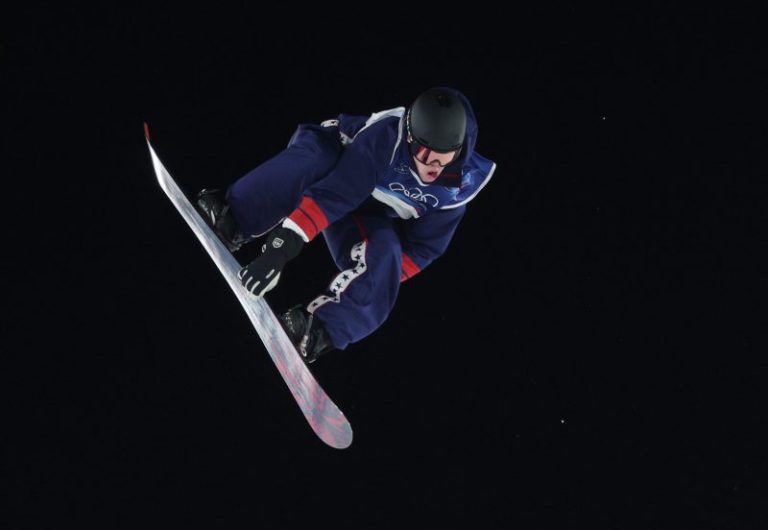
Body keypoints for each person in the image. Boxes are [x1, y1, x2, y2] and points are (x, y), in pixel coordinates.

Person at [195, 87, 496, 363]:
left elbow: (423, 248)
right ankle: (234, 218)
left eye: (445, 157)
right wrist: (279, 250)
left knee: (387, 252)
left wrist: (378, 274)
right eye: (423, 152)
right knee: (317, 159)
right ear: (409, 137)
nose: (432, 165)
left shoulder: (460, 185)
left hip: (365, 213)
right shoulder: (386, 138)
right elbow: (335, 194)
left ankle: (317, 331)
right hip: (333, 169)